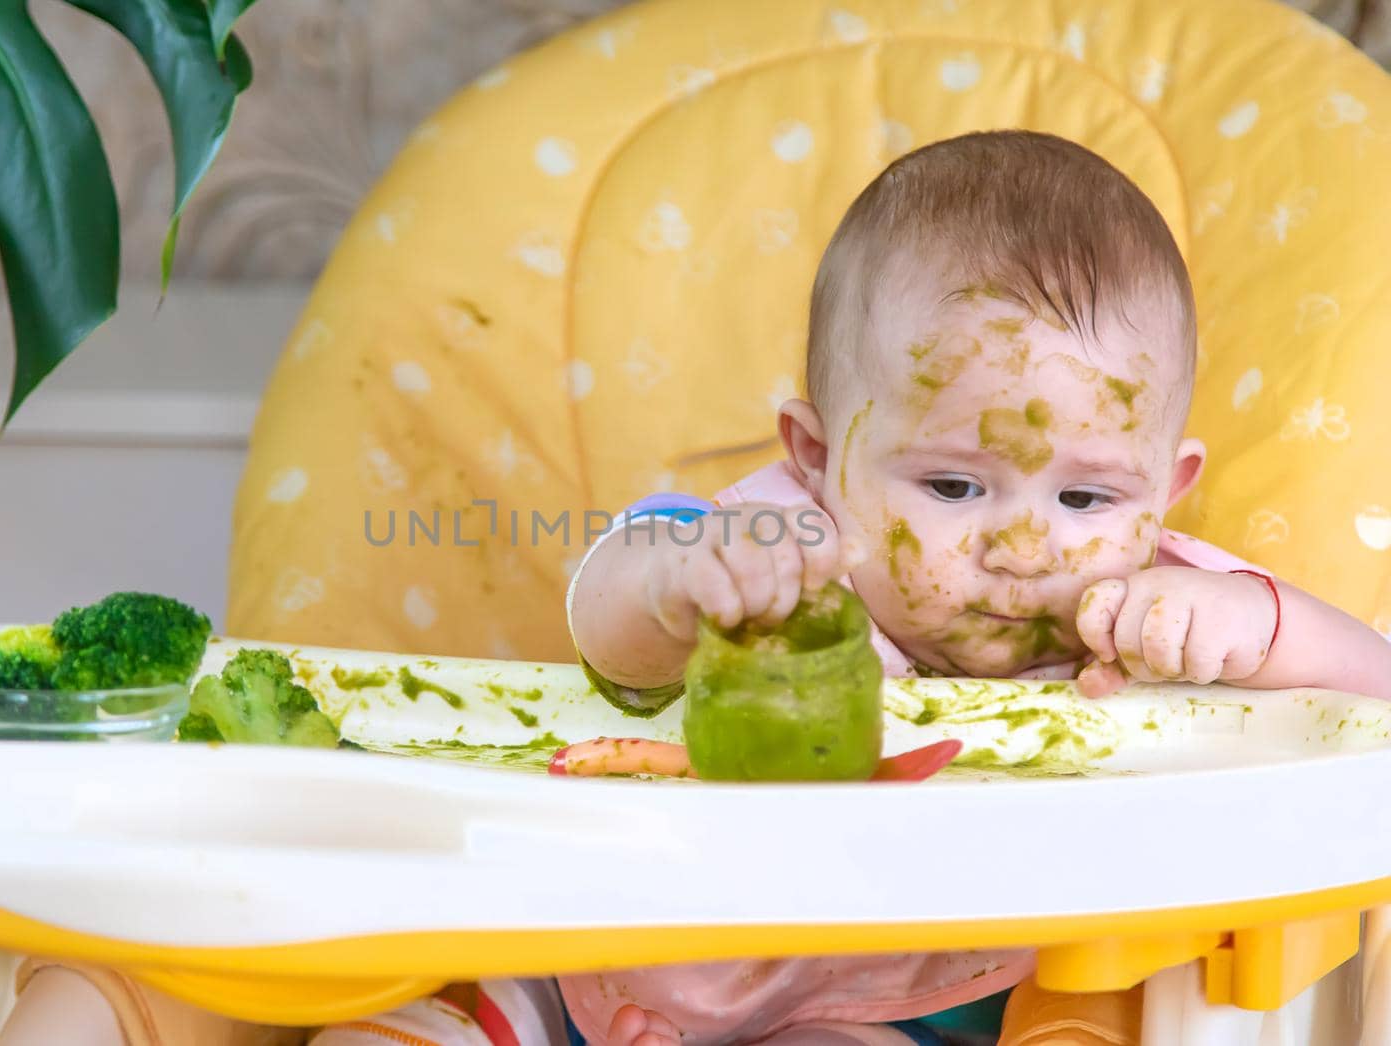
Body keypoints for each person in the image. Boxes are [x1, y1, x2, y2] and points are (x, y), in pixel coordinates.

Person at [559, 129, 1391, 1046]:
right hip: (722, 957)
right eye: (954, 487)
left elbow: (1375, 704)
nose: (1026, 548)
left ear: (1165, 490)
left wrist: (1265, 631)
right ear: (819, 460)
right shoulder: (776, 553)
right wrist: (676, 585)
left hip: (984, 1002)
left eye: (1086, 496)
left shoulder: (1156, 607)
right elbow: (609, 642)